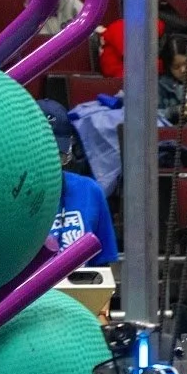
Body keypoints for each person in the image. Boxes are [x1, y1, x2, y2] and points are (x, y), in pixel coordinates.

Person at [37, 102, 118, 261]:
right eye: (42, 152)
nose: (50, 160)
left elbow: (103, 266)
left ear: (69, 146)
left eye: (57, 152)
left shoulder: (89, 190)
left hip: (79, 284)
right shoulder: (11, 196)